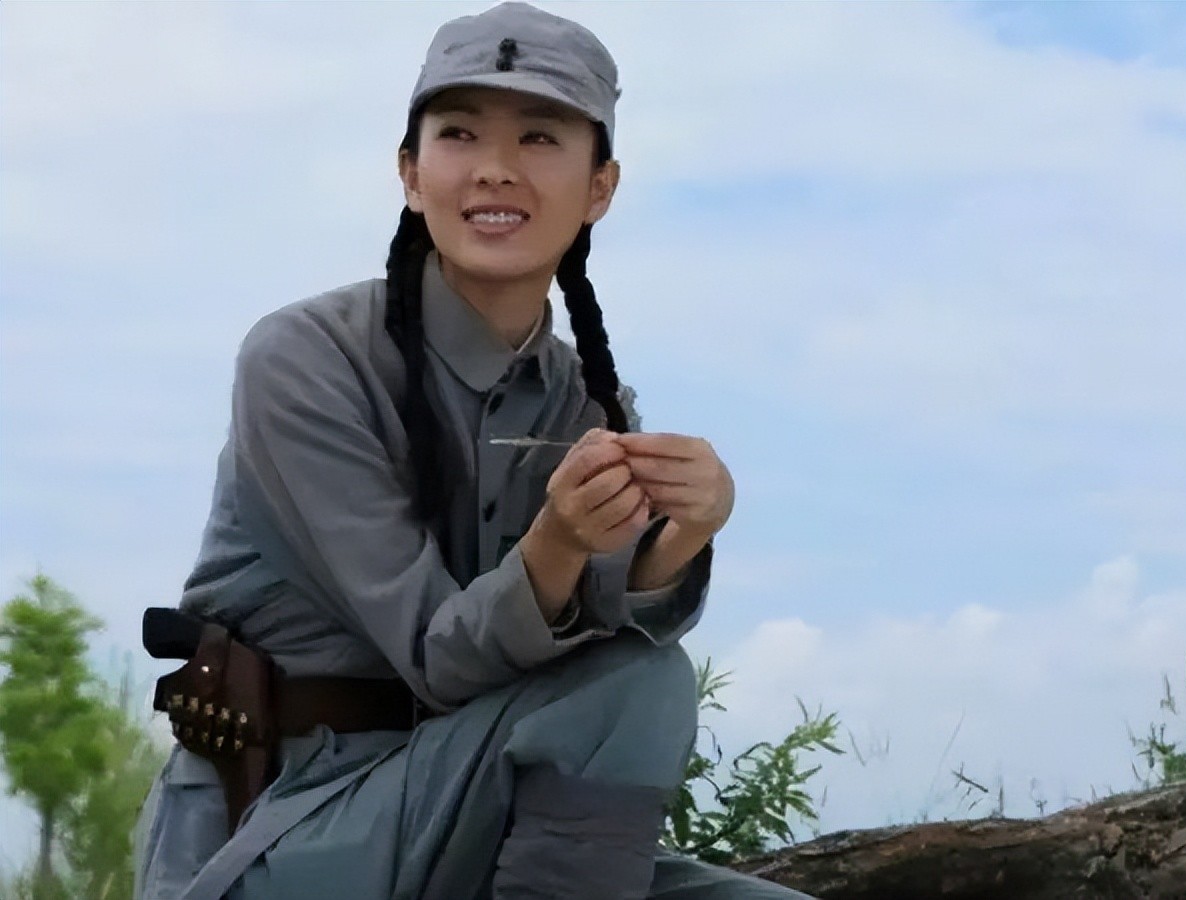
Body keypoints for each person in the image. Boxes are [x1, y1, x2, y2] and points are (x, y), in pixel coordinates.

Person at [132, 4, 812, 898]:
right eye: (459, 134)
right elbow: (437, 656)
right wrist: (556, 544)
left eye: (539, 137)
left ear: (600, 188)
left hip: (475, 817)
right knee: (642, 682)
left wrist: (687, 531)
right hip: (281, 828)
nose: (495, 167)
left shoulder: (583, 400)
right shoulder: (304, 360)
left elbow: (602, 630)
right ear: (411, 174)